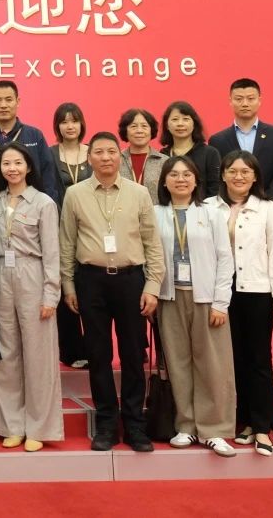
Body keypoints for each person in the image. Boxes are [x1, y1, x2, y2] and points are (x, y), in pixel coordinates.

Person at [60, 131, 164, 453]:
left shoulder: (139, 193)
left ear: (120, 156)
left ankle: (134, 424)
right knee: (98, 354)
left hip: (131, 280)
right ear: (88, 157)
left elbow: (152, 242)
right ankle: (106, 422)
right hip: (90, 281)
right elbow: (67, 243)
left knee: (133, 354)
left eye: (111, 152)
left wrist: (153, 286)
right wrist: (68, 285)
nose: (105, 157)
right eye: (99, 152)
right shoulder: (74, 194)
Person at [204, 150, 273, 455]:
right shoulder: (208, 207)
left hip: (256, 292)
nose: (239, 176)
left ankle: (262, 427)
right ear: (223, 174)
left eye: (245, 171)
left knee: (258, 360)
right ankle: (243, 421)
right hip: (219, 293)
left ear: (255, 176)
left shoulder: (268, 210)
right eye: (232, 171)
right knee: (233, 360)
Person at [152, 155, 237, 457]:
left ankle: (214, 429)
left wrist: (220, 302)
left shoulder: (211, 212)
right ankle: (186, 425)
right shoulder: (155, 213)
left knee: (212, 365)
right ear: (164, 181)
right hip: (169, 298)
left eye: (187, 174)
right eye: (174, 175)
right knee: (178, 363)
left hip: (205, 298)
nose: (181, 179)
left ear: (196, 180)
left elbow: (225, 258)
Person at [0, 145, 63, 451]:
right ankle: (11, 425)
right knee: (5, 354)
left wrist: (51, 295)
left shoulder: (43, 202)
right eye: (6, 163)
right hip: (0, 274)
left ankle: (39, 427)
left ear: (29, 167)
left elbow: (52, 252)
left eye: (18, 162)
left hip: (32, 273)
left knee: (38, 353)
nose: (12, 168)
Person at [0, 80, 59, 202]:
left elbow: (48, 178)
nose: (3, 105)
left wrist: (48, 206)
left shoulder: (35, 136)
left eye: (9, 100)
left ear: (17, 101)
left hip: (31, 210)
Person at [49, 102, 89, 369]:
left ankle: (94, 346)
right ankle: (71, 349)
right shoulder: (49, 154)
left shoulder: (93, 151)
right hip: (58, 227)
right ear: (58, 126)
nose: (69, 126)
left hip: (90, 228)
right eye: (64, 121)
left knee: (89, 285)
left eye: (74, 120)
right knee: (65, 283)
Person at [209, 78, 273, 198]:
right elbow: (217, 176)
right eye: (239, 99)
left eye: (250, 98)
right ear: (230, 101)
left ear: (259, 100)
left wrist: (266, 200)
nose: (245, 104)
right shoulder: (217, 140)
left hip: (270, 202)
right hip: (231, 202)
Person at [159, 101, 222, 201]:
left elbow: (215, 189)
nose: (180, 124)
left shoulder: (209, 153)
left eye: (186, 119)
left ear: (194, 124)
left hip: (203, 209)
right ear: (167, 125)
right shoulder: (162, 155)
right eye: (175, 119)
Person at [118, 108, 167, 201]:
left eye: (144, 126)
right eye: (133, 126)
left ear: (151, 130)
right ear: (125, 131)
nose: (139, 130)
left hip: (155, 210)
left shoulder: (165, 162)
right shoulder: (116, 160)